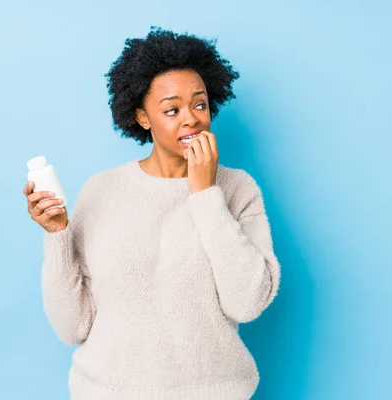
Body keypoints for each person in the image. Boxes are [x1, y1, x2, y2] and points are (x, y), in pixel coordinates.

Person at [23, 27, 281, 400]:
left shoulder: (238, 189)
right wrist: (58, 235)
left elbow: (247, 301)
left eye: (199, 104)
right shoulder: (102, 190)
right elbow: (72, 326)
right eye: (172, 109)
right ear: (143, 117)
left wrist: (205, 192)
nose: (191, 119)